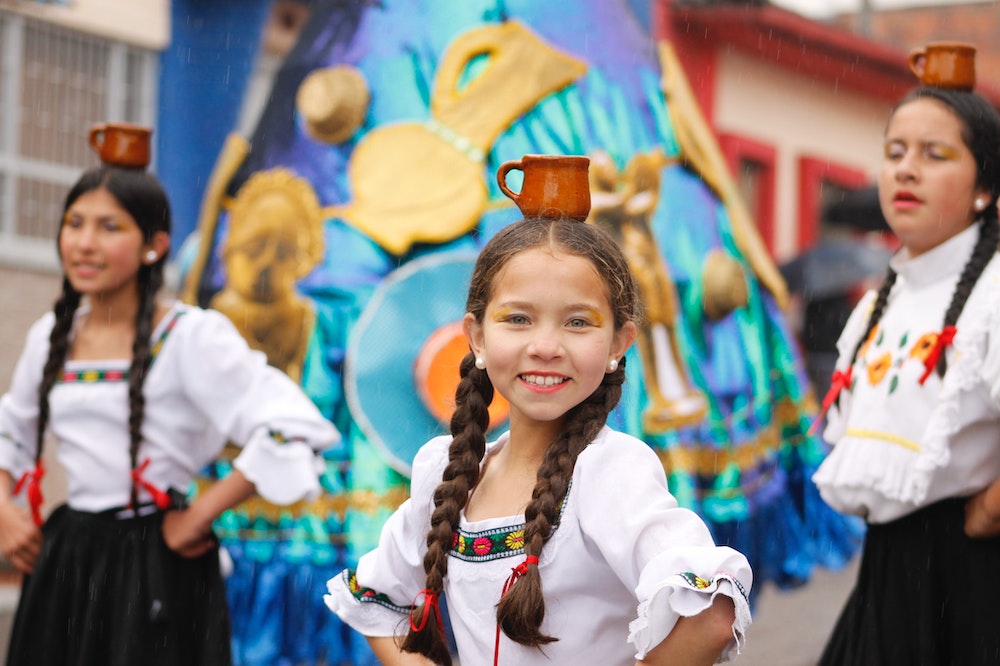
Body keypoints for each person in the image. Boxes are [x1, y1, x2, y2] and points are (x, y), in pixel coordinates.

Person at [324, 216, 752, 665]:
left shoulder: (608, 472)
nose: (545, 346)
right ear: (476, 337)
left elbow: (711, 612)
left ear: (618, 344)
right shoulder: (447, 473)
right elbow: (375, 598)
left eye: (578, 322)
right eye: (518, 319)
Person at [0, 163, 340, 665]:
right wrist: (5, 514)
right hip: (68, 556)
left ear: (153, 245)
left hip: (157, 562)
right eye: (75, 223)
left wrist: (200, 514)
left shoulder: (191, 335)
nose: (85, 243)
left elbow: (295, 426)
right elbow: (12, 432)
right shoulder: (54, 333)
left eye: (109, 227)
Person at [812, 82, 1000, 664]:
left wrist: (991, 507)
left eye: (934, 154)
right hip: (887, 568)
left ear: (985, 187)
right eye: (895, 153)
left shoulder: (994, 291)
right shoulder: (881, 300)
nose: (906, 171)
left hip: (971, 571)